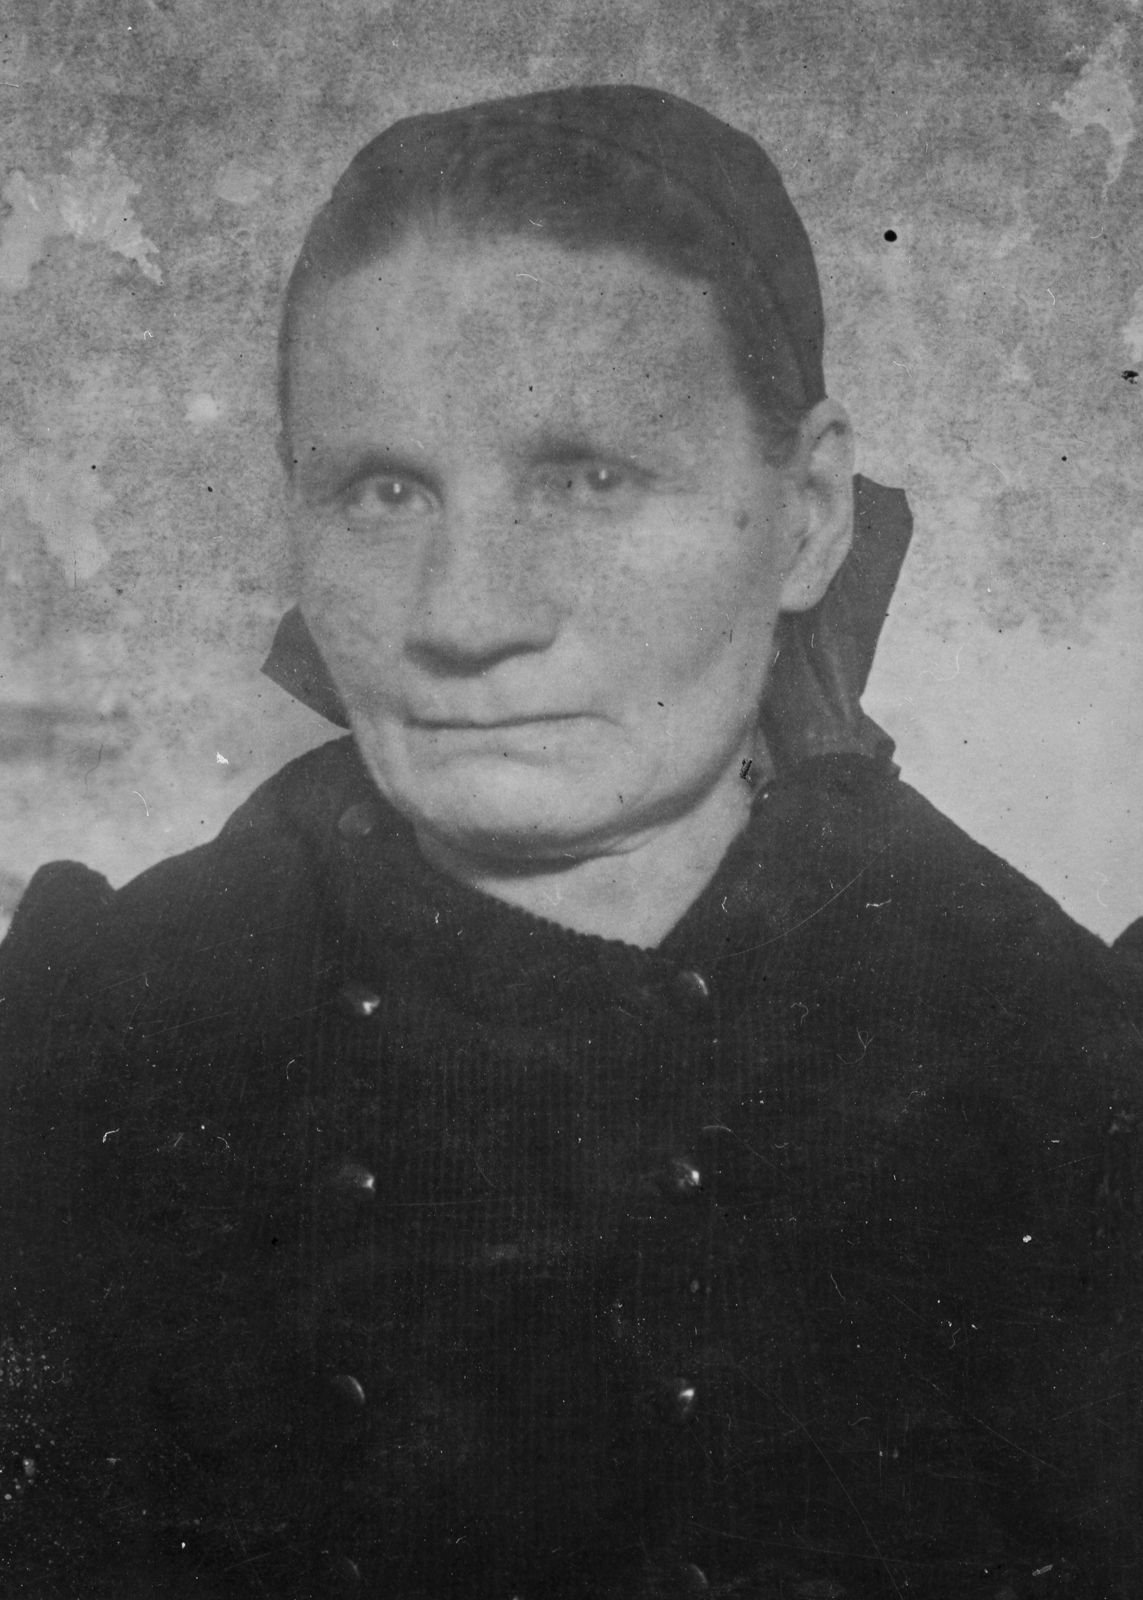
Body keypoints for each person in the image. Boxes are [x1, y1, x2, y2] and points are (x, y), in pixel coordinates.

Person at [1, 86, 1140, 1600]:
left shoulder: (1065, 1071)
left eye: (589, 478)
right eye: (384, 490)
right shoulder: (84, 1046)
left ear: (807, 515)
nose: (466, 614)